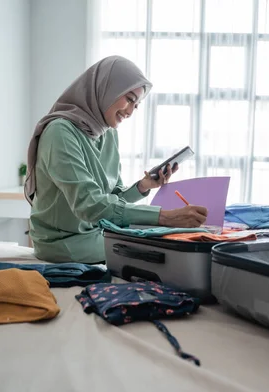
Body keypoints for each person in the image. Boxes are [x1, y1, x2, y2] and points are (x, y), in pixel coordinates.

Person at [24, 56, 208, 264]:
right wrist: (166, 217)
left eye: (136, 105)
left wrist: (143, 186)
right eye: (129, 99)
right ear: (105, 88)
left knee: (167, 238)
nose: (130, 112)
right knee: (156, 249)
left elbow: (111, 200)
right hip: (62, 242)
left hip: (98, 230)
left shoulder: (107, 132)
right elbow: (90, 205)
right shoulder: (60, 132)